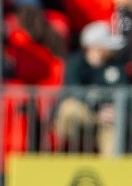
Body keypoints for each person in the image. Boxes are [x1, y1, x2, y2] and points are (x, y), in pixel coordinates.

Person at [52, 21, 129, 156]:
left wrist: (117, 110)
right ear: (96, 46)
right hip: (83, 116)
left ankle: (111, 173)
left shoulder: (115, 67)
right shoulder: (75, 63)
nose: (111, 49)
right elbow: (74, 91)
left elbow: (124, 92)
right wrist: (97, 112)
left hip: (106, 121)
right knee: (70, 108)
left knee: (113, 127)